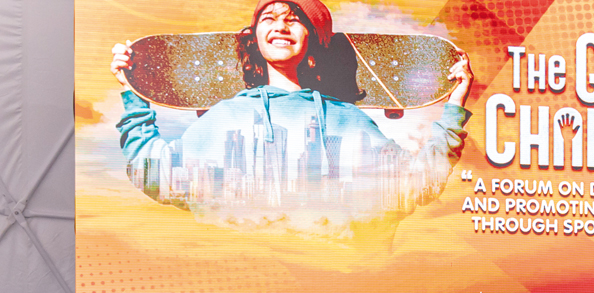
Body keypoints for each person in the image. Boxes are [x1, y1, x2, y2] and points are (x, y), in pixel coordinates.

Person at [109, 0, 474, 230]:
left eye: (294, 19)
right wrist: (132, 93)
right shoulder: (225, 117)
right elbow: (153, 172)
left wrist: (454, 109)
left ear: (312, 39)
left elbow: (414, 184)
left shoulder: (346, 120)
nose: (280, 25)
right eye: (269, 18)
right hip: (237, 285)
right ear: (256, 36)